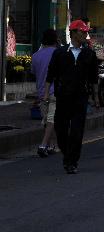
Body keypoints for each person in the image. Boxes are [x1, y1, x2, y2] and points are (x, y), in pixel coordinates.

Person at [45, 19, 98, 174]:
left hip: (80, 97)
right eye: (82, 32)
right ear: (73, 33)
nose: (85, 34)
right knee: (61, 129)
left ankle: (72, 162)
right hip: (62, 97)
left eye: (86, 32)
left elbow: (94, 78)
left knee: (77, 131)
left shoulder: (89, 54)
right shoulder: (60, 52)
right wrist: (46, 94)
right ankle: (67, 154)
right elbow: (51, 74)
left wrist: (96, 98)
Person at [32, 29, 59, 158]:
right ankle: (43, 145)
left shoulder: (35, 56)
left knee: (46, 119)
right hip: (55, 91)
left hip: (42, 92)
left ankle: (50, 145)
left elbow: (34, 73)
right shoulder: (58, 53)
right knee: (51, 119)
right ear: (55, 40)